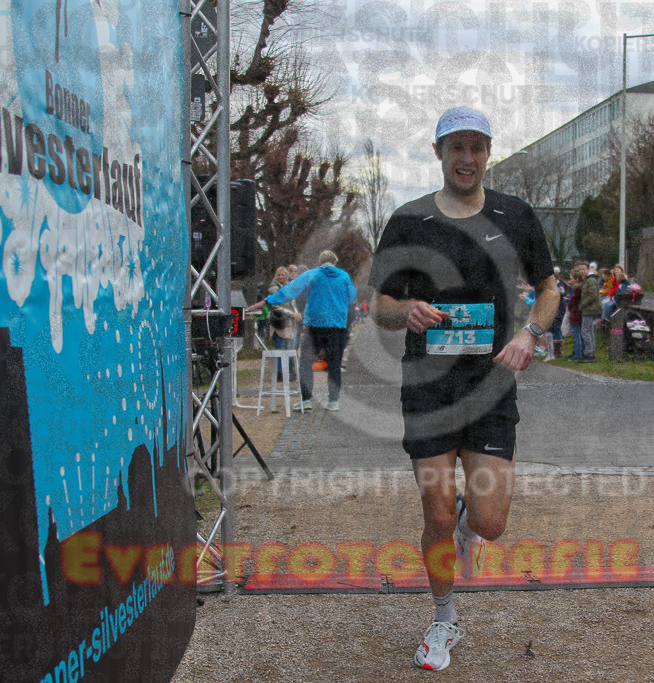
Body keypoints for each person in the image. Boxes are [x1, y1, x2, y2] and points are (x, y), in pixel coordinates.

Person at [369, 106, 558, 672]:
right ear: (439, 153)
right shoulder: (408, 219)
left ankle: (463, 515)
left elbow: (549, 290)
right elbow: (379, 307)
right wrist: (407, 311)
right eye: (456, 147)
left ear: (488, 153)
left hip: (491, 383)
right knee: (435, 512)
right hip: (428, 390)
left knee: (489, 525)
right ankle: (443, 617)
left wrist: (529, 334)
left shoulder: (515, 214)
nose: (467, 158)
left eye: (476, 147)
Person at [246, 250, 356, 411]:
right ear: (335, 262)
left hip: (315, 324)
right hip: (336, 325)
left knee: (306, 361)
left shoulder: (312, 274)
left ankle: (306, 400)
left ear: (320, 262)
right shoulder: (344, 277)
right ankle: (333, 401)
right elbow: (352, 296)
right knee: (334, 363)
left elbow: (290, 290)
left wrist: (267, 301)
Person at [267, 266, 302, 381]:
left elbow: (293, 303)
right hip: (279, 321)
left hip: (290, 322)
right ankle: (280, 373)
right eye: (279, 275)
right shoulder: (274, 288)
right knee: (281, 348)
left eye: (283, 275)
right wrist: (292, 314)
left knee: (289, 347)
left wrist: (296, 313)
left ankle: (288, 371)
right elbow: (275, 306)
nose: (281, 277)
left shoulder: (289, 287)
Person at [578, 262, 602, 362]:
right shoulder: (587, 280)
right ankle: (591, 350)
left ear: (588, 269)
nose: (581, 271)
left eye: (583, 269)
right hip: (589, 308)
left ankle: (590, 353)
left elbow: (592, 296)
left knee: (585, 330)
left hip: (590, 308)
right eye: (580, 269)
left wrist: (582, 305)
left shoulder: (591, 280)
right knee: (589, 329)